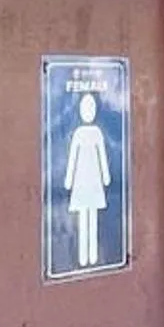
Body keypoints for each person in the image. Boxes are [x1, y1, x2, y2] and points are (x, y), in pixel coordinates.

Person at [63, 90, 114, 270]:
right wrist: (69, 180)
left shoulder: (97, 133)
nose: (88, 111)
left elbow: (101, 156)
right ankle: (83, 257)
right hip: (82, 181)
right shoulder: (78, 133)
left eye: (91, 107)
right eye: (86, 107)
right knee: (83, 219)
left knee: (92, 218)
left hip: (93, 181)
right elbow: (72, 158)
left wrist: (106, 177)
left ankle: (92, 256)